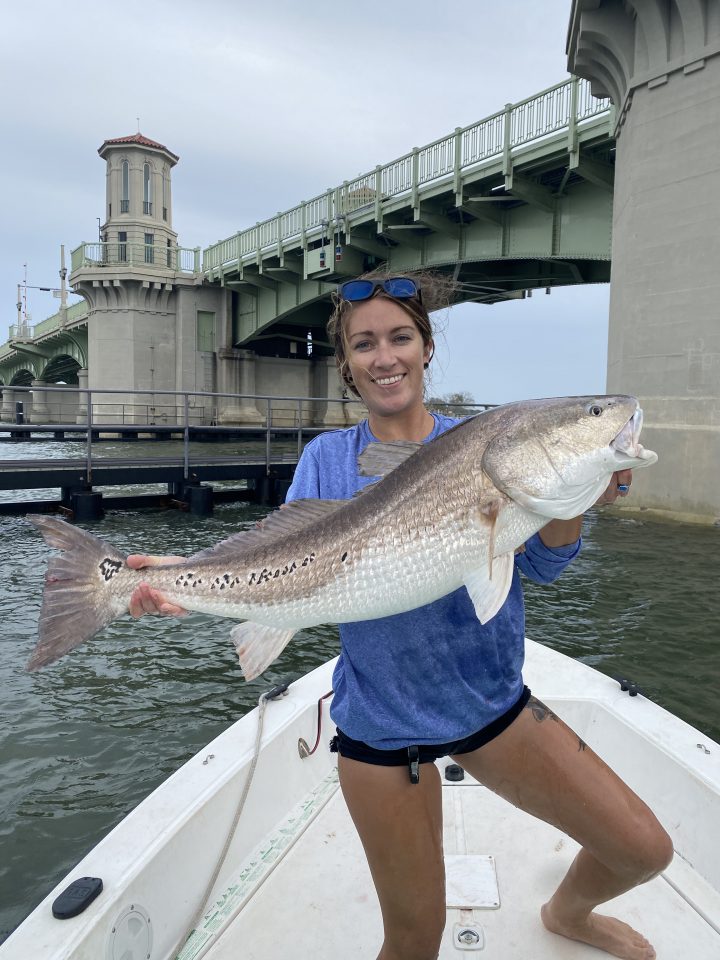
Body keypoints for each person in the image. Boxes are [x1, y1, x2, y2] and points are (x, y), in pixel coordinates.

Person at [128, 272, 672, 960]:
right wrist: (176, 582)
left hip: (491, 704)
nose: (385, 357)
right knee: (415, 939)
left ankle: (568, 911)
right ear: (349, 364)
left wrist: (577, 500)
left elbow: (540, 567)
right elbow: (274, 555)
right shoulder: (327, 459)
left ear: (425, 347)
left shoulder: (483, 444)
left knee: (644, 849)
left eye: (400, 338)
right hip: (381, 726)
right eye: (365, 344)